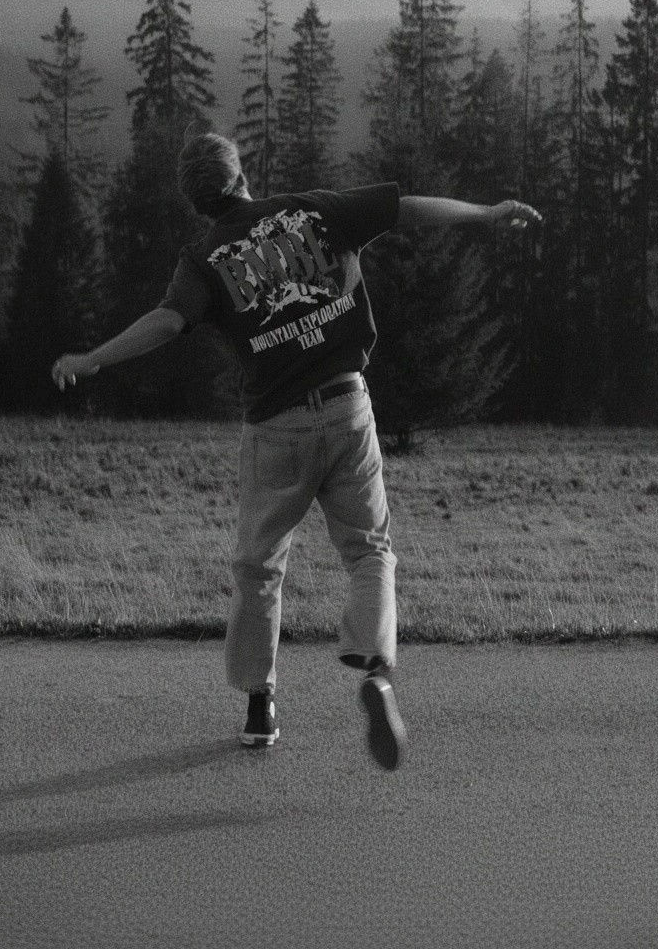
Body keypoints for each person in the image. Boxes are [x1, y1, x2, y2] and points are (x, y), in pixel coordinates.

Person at [52, 131, 541, 771]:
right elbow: (408, 208)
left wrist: (93, 358)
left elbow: (168, 321)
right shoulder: (314, 211)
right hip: (346, 405)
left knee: (259, 567)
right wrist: (486, 212)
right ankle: (374, 669)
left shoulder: (203, 257)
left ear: (196, 199)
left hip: (275, 425)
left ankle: (260, 709)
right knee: (370, 551)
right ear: (240, 174)